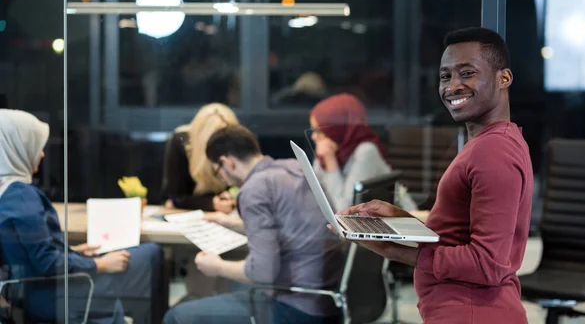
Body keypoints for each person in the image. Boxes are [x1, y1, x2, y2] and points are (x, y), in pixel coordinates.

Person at [335, 27, 534, 324]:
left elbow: (486, 265)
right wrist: (400, 218)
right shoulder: (491, 143)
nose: (452, 86)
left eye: (467, 73)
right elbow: (459, 234)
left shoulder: (493, 151)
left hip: (471, 313)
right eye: (445, 76)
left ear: (503, 78)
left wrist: (394, 250)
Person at [163, 124, 344, 324]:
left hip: (293, 307)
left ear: (228, 162)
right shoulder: (295, 167)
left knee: (175, 316)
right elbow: (290, 228)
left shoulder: (253, 189)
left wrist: (217, 266)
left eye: (217, 172)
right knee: (235, 289)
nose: (222, 180)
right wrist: (232, 223)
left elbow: (262, 273)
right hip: (329, 300)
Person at [0, 109, 163, 324]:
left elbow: (25, 252)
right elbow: (47, 262)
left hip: (32, 292)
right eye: (37, 147)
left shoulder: (7, 192)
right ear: (18, 147)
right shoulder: (22, 195)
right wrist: (101, 265)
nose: (42, 154)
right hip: (56, 293)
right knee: (151, 254)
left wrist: (73, 251)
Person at [309, 93, 392, 211]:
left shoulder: (366, 152)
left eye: (319, 130)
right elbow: (312, 199)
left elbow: (343, 210)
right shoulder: (326, 152)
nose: (314, 137)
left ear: (335, 129)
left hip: (395, 224)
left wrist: (330, 162)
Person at [162, 103, 239, 212]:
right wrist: (212, 203)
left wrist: (230, 198)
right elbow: (175, 197)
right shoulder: (181, 141)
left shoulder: (233, 147)